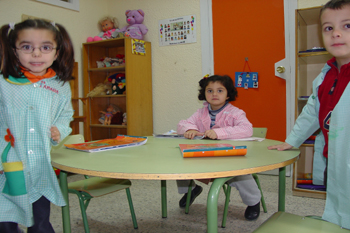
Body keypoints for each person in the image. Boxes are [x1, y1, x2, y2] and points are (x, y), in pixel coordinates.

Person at [268, 0, 350, 229]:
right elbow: (312, 112)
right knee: (338, 204)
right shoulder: (326, 76)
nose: (336, 34)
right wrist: (291, 141)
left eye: (347, 26)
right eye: (328, 28)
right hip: (335, 156)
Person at [0, 19, 75, 233]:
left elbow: (65, 115)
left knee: (40, 222)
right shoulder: (4, 84)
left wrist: (59, 129)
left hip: (39, 167)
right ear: (14, 51)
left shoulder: (59, 86)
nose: (36, 54)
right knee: (5, 221)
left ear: (57, 52)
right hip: (7, 167)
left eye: (45, 47)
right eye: (26, 47)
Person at [176, 74, 261, 221]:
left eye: (220, 90)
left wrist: (219, 132)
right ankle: (191, 190)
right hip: (203, 156)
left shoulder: (235, 113)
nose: (214, 94)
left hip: (228, 158)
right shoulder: (200, 112)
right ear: (204, 94)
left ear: (228, 94)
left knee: (242, 174)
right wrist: (189, 129)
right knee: (178, 162)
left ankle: (253, 202)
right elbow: (182, 124)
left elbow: (247, 129)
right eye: (210, 91)